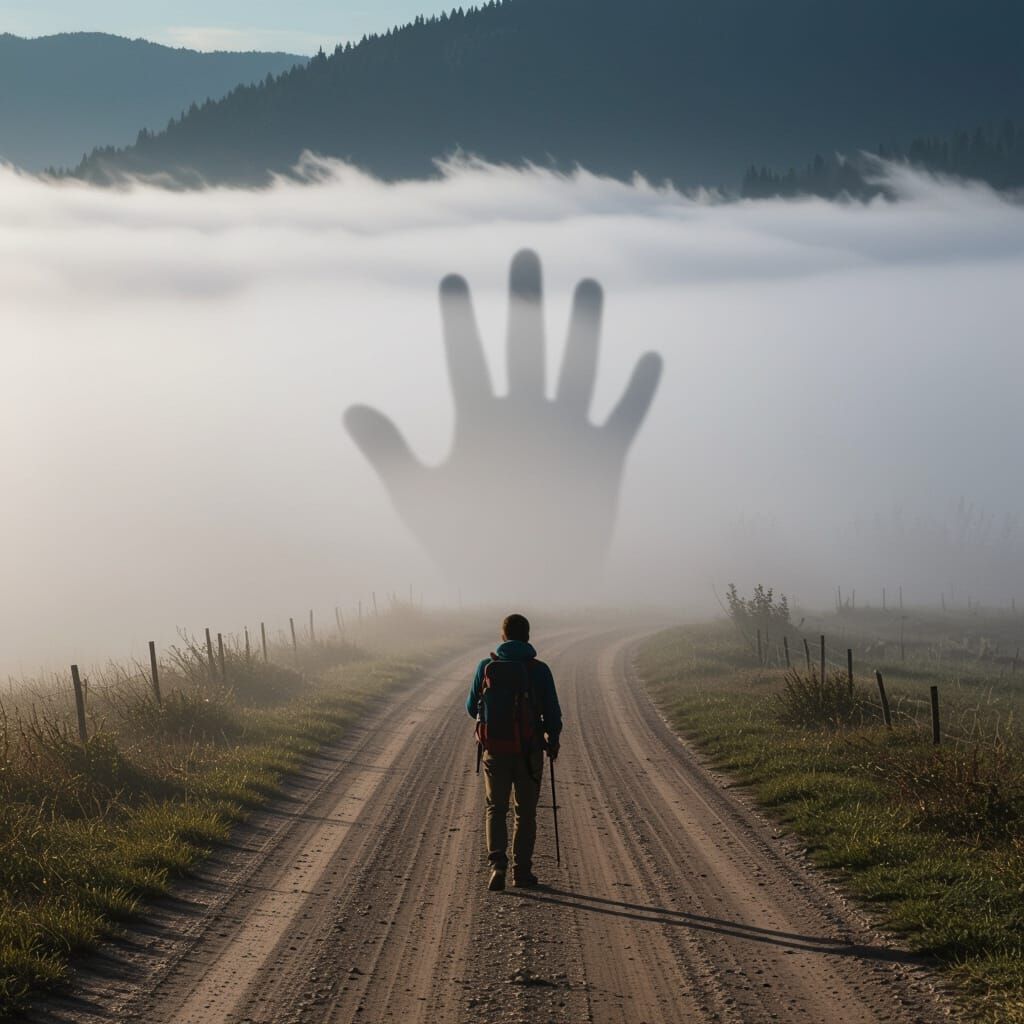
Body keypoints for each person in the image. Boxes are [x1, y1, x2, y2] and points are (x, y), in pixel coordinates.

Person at [466, 613, 562, 891]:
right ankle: (522, 871)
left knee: (495, 807)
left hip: (495, 749)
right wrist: (552, 739)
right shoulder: (540, 670)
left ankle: (497, 865)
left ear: (503, 636)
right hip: (529, 751)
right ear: (528, 636)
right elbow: (553, 714)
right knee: (525, 811)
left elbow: (472, 707)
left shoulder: (486, 666)